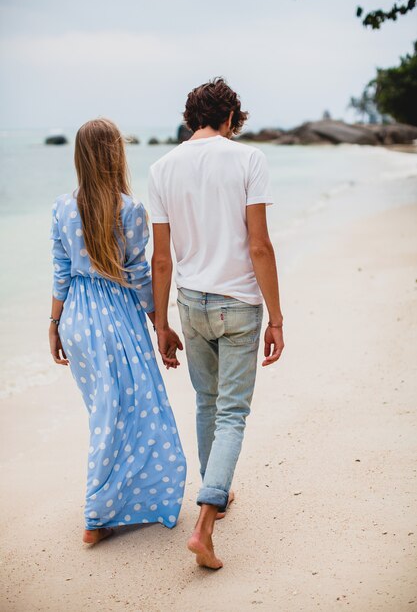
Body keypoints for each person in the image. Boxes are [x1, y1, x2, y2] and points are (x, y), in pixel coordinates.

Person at [149, 78, 284, 569]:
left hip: (190, 303)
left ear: (192, 118)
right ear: (231, 118)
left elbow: (160, 259)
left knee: (207, 404)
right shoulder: (249, 160)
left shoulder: (161, 167)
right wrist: (278, 317)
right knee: (231, 413)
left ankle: (213, 487)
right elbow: (259, 246)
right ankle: (207, 519)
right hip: (240, 305)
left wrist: (160, 322)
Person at [49, 118, 186, 545]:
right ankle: (96, 514)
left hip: (77, 320)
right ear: (115, 155)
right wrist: (159, 325)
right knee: (128, 414)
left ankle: (113, 504)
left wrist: (54, 325)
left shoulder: (61, 207)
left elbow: (62, 273)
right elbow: (140, 275)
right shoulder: (130, 209)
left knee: (107, 413)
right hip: (116, 318)